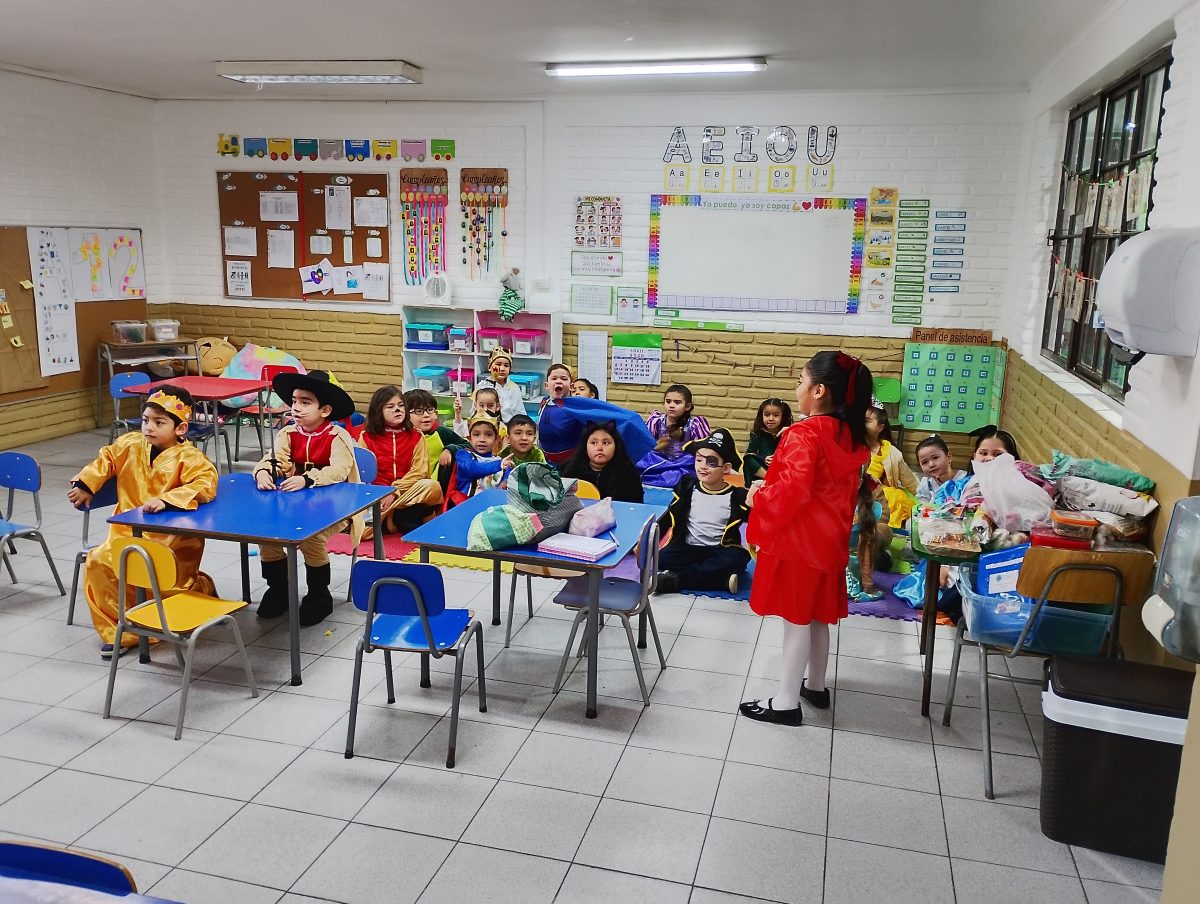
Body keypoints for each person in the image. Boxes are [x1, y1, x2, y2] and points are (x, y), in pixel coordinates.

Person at [740, 350, 873, 726]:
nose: (796, 388)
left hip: (799, 542)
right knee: (817, 619)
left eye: (800, 381)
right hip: (830, 540)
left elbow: (792, 492)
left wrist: (759, 495)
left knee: (795, 621)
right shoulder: (849, 434)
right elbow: (822, 486)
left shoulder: (803, 433)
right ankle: (815, 686)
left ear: (817, 391)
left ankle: (785, 702)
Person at [69, 387, 218, 659]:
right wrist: (86, 484)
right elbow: (107, 459)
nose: (149, 427)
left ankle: (201, 588)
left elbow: (206, 484)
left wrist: (170, 499)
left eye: (159, 423)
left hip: (173, 537)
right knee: (99, 562)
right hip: (125, 532)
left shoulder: (191, 458)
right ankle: (122, 631)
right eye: (146, 419)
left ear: (181, 427)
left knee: (163, 579)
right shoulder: (129, 444)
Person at [254, 370, 361, 627]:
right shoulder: (287, 434)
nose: (296, 408)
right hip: (293, 506)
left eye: (305, 402)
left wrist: (307, 478)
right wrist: (263, 473)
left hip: (336, 507)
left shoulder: (337, 436)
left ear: (324, 410)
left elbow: (339, 470)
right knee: (267, 535)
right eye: (294, 401)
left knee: (313, 537)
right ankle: (278, 590)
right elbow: (275, 460)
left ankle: (318, 594)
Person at [656, 428, 751, 594]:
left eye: (711, 462)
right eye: (699, 460)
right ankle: (720, 581)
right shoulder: (687, 487)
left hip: (720, 551)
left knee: (736, 560)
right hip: (688, 548)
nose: (703, 467)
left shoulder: (737, 496)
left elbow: (759, 522)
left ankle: (676, 580)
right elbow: (668, 516)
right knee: (661, 559)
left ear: (726, 468)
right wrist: (648, 539)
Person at [357, 385, 443, 534]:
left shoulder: (416, 436)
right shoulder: (366, 437)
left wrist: (394, 492)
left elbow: (419, 471)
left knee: (432, 486)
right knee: (363, 533)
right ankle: (392, 517)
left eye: (401, 405)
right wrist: (382, 495)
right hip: (379, 496)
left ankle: (392, 516)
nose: (398, 410)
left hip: (406, 493)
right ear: (379, 411)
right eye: (390, 406)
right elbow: (362, 476)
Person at [538, 363, 656, 468]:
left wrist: (632, 420)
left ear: (571, 386)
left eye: (563, 378)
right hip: (546, 462)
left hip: (572, 465)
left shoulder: (577, 405)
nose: (558, 381)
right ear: (547, 385)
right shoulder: (544, 402)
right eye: (554, 378)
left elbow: (606, 414)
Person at [640, 384, 712, 488]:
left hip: (684, 464)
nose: (671, 405)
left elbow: (703, 450)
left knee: (688, 469)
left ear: (687, 406)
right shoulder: (656, 421)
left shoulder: (695, 424)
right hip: (659, 461)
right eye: (668, 401)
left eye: (677, 402)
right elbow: (647, 446)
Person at [560, 421, 644, 503]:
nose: (599, 448)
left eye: (606, 443)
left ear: (616, 447)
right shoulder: (569, 471)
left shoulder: (629, 473)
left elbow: (634, 507)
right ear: (585, 447)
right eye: (594, 443)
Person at [404, 388, 466, 498]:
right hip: (408, 490)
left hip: (437, 492)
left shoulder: (441, 433)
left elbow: (468, 446)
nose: (426, 415)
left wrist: (450, 449)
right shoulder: (403, 437)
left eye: (430, 409)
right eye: (419, 411)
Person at [865, 404, 917, 527]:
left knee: (895, 496)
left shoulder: (892, 453)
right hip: (857, 489)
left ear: (880, 427)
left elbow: (909, 480)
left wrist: (924, 496)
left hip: (879, 493)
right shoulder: (851, 446)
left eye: (867, 421)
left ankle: (886, 528)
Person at [447, 413, 511, 507]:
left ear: (496, 439)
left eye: (488, 435)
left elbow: (509, 474)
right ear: (469, 438)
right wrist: (499, 465)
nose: (482, 439)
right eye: (476, 434)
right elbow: (472, 469)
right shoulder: (464, 455)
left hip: (492, 508)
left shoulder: (500, 460)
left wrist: (506, 481)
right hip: (465, 507)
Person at [848, 474, 892, 602]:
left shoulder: (872, 487)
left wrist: (867, 584)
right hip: (835, 561)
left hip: (859, 552)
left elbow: (884, 516)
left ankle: (881, 555)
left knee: (881, 532)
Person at [743, 397, 793, 482]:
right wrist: (764, 458)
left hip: (780, 467)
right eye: (767, 415)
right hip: (763, 470)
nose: (770, 419)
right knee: (747, 459)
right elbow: (750, 452)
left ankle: (776, 480)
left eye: (776, 415)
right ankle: (769, 479)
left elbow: (791, 454)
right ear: (761, 415)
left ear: (783, 417)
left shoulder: (787, 433)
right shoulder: (757, 434)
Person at [476, 346, 524, 423]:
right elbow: (474, 412)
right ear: (489, 367)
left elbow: (521, 412)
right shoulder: (482, 387)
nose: (502, 369)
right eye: (498, 364)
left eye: (506, 365)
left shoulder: (514, 388)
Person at [914, 434, 966, 502]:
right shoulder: (926, 485)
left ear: (949, 457)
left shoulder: (965, 480)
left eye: (935, 457)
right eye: (925, 462)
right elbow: (921, 507)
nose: (931, 465)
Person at [500, 414, 546, 482]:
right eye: (518, 433)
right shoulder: (504, 455)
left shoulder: (537, 454)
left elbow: (543, 477)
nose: (524, 438)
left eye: (529, 434)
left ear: (534, 439)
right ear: (508, 438)